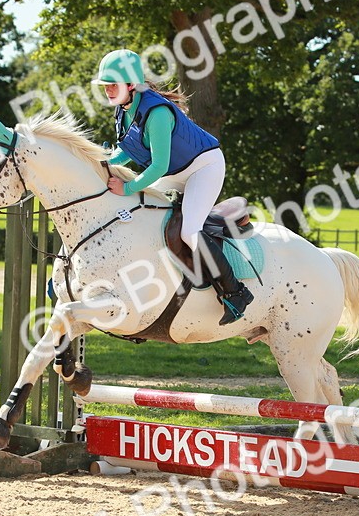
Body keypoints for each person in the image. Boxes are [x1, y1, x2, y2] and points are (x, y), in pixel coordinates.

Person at [92, 48, 254, 325]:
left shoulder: (157, 113)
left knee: (191, 231)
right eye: (105, 85)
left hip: (203, 167)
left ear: (131, 85)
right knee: (136, 209)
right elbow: (126, 151)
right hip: (177, 169)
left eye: (113, 85)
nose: (108, 90)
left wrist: (128, 189)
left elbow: (159, 167)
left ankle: (236, 292)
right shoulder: (125, 109)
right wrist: (99, 161)